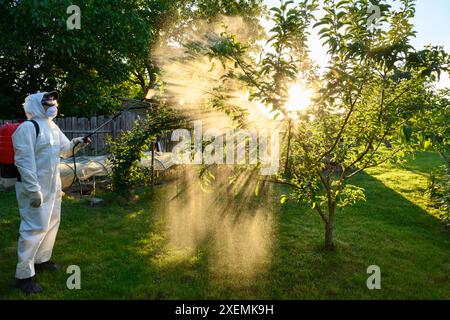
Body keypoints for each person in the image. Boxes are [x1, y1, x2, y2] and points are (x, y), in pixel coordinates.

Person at [12, 91, 90, 295]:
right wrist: (32, 191)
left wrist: (77, 143)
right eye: (47, 103)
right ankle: (23, 276)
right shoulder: (28, 128)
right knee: (33, 228)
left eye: (53, 102)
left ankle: (42, 259)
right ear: (36, 106)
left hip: (52, 185)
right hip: (34, 187)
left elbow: (65, 150)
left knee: (52, 222)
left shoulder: (52, 126)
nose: (52, 106)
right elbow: (24, 162)